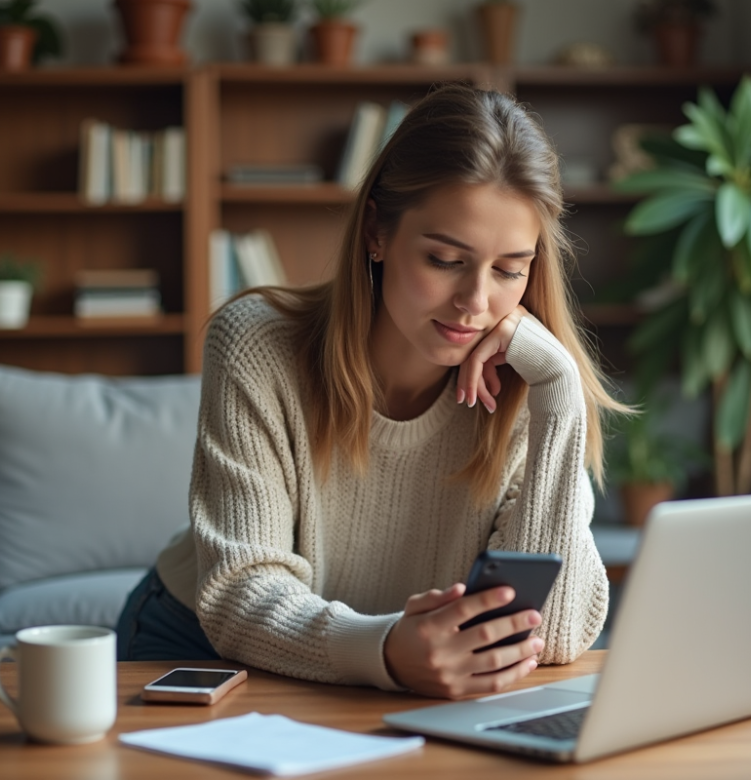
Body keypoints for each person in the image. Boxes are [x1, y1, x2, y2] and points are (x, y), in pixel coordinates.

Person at [117, 83, 627, 700]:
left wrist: (559, 392)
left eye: (509, 269)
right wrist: (384, 648)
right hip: (199, 639)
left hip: (407, 665)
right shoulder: (256, 347)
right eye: (444, 259)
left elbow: (561, 636)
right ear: (376, 233)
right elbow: (239, 594)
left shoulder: (531, 383)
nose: (475, 302)